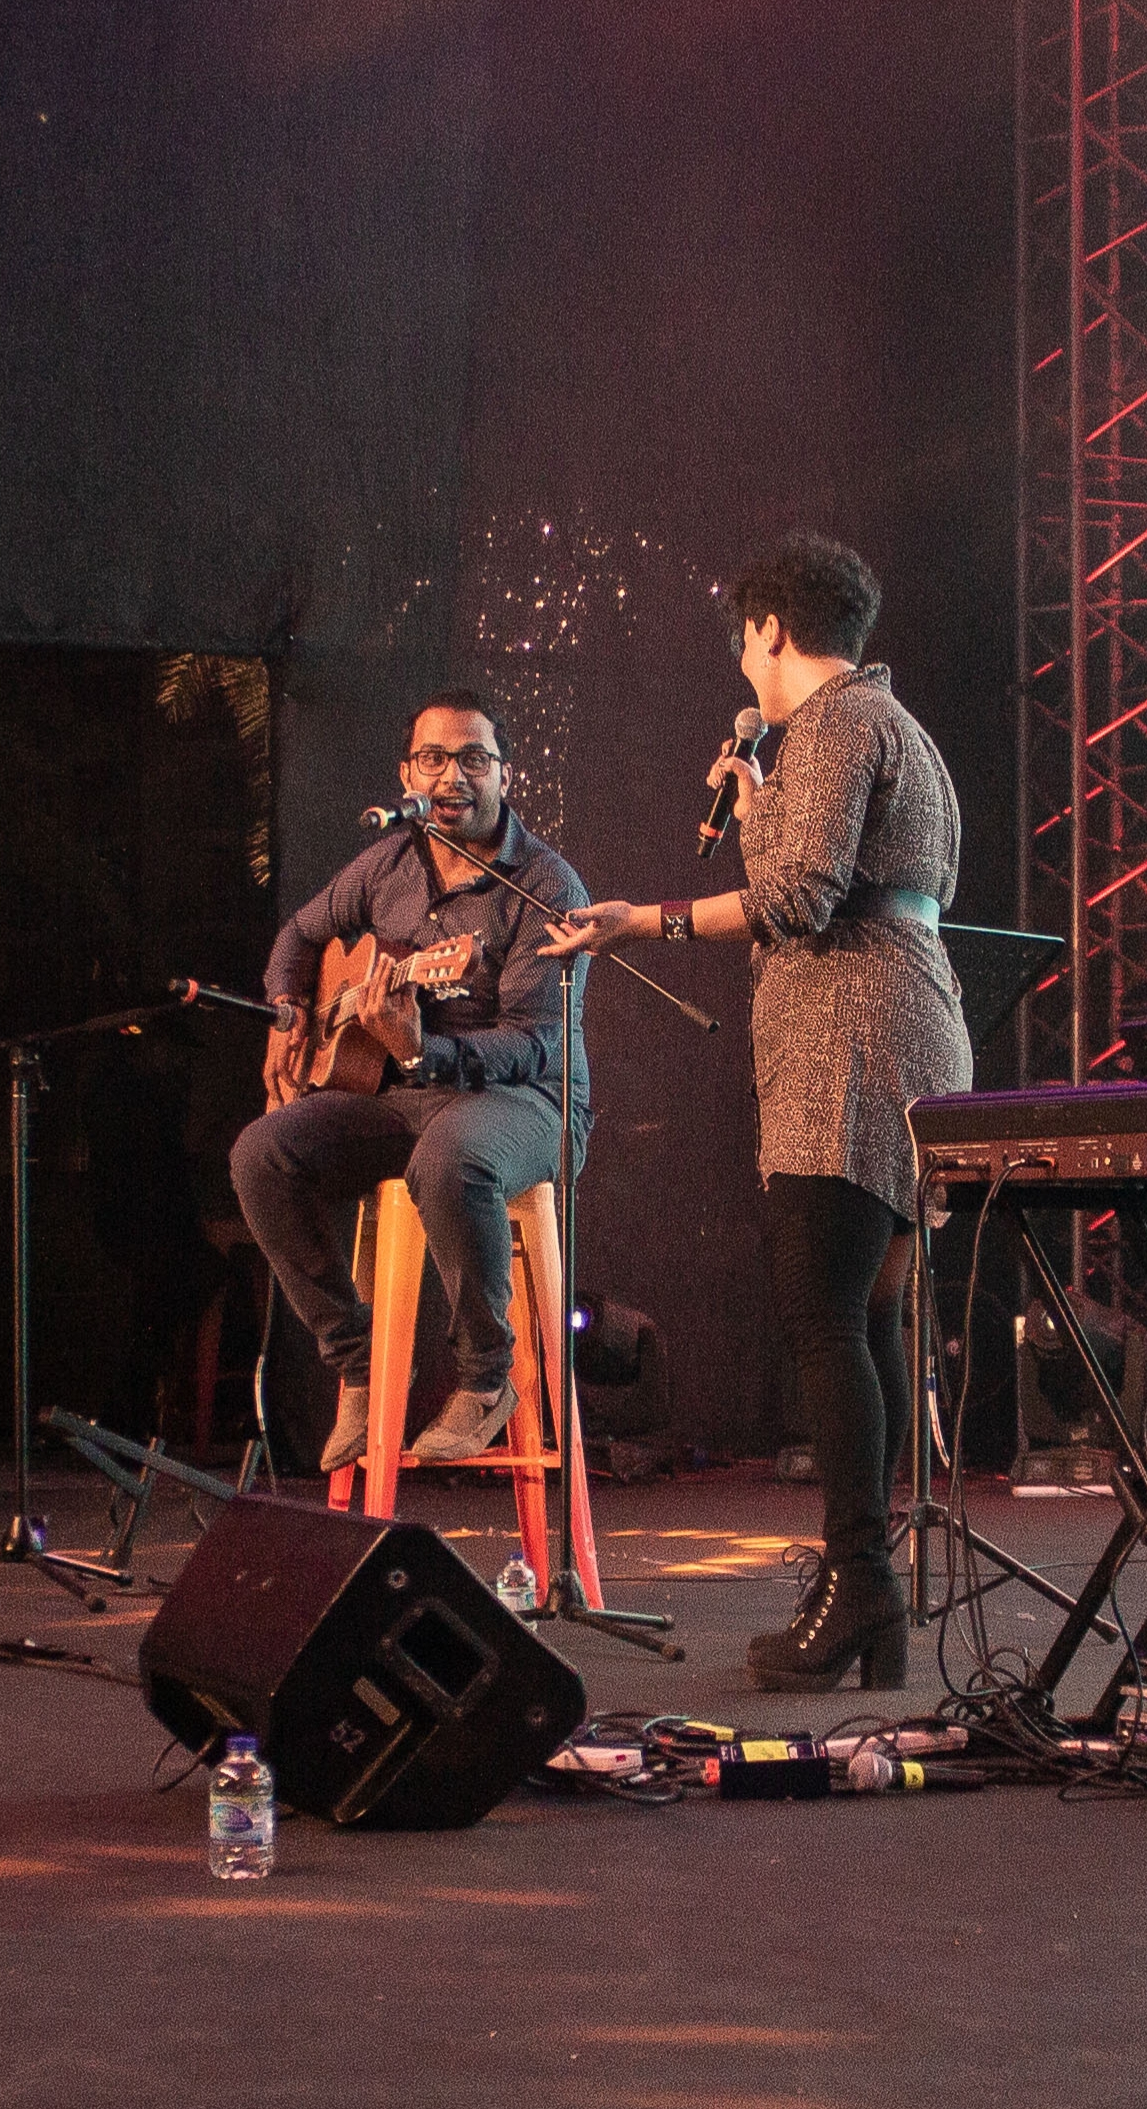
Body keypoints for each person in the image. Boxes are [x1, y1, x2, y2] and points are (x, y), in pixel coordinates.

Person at [545, 532, 971, 1692]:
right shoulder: (893, 725)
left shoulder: (833, 723)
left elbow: (799, 899)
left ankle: (859, 1585)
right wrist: (762, 805)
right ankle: (869, 1594)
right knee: (868, 1318)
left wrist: (646, 921)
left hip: (849, 1042)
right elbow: (841, 876)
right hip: (909, 1025)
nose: (743, 665)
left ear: (771, 629)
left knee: (823, 1316)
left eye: (744, 642)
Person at [230, 690, 590, 1472]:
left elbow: (532, 1042)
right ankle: (360, 1365)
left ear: (505, 775)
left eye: (473, 758)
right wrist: (289, 1011)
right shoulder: (388, 863)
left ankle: (487, 1378)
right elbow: (299, 934)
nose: (452, 775)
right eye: (434, 758)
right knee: (262, 1153)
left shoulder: (545, 886)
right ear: (407, 776)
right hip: (403, 1096)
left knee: (450, 1156)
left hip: (525, 1101)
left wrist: (425, 1051)